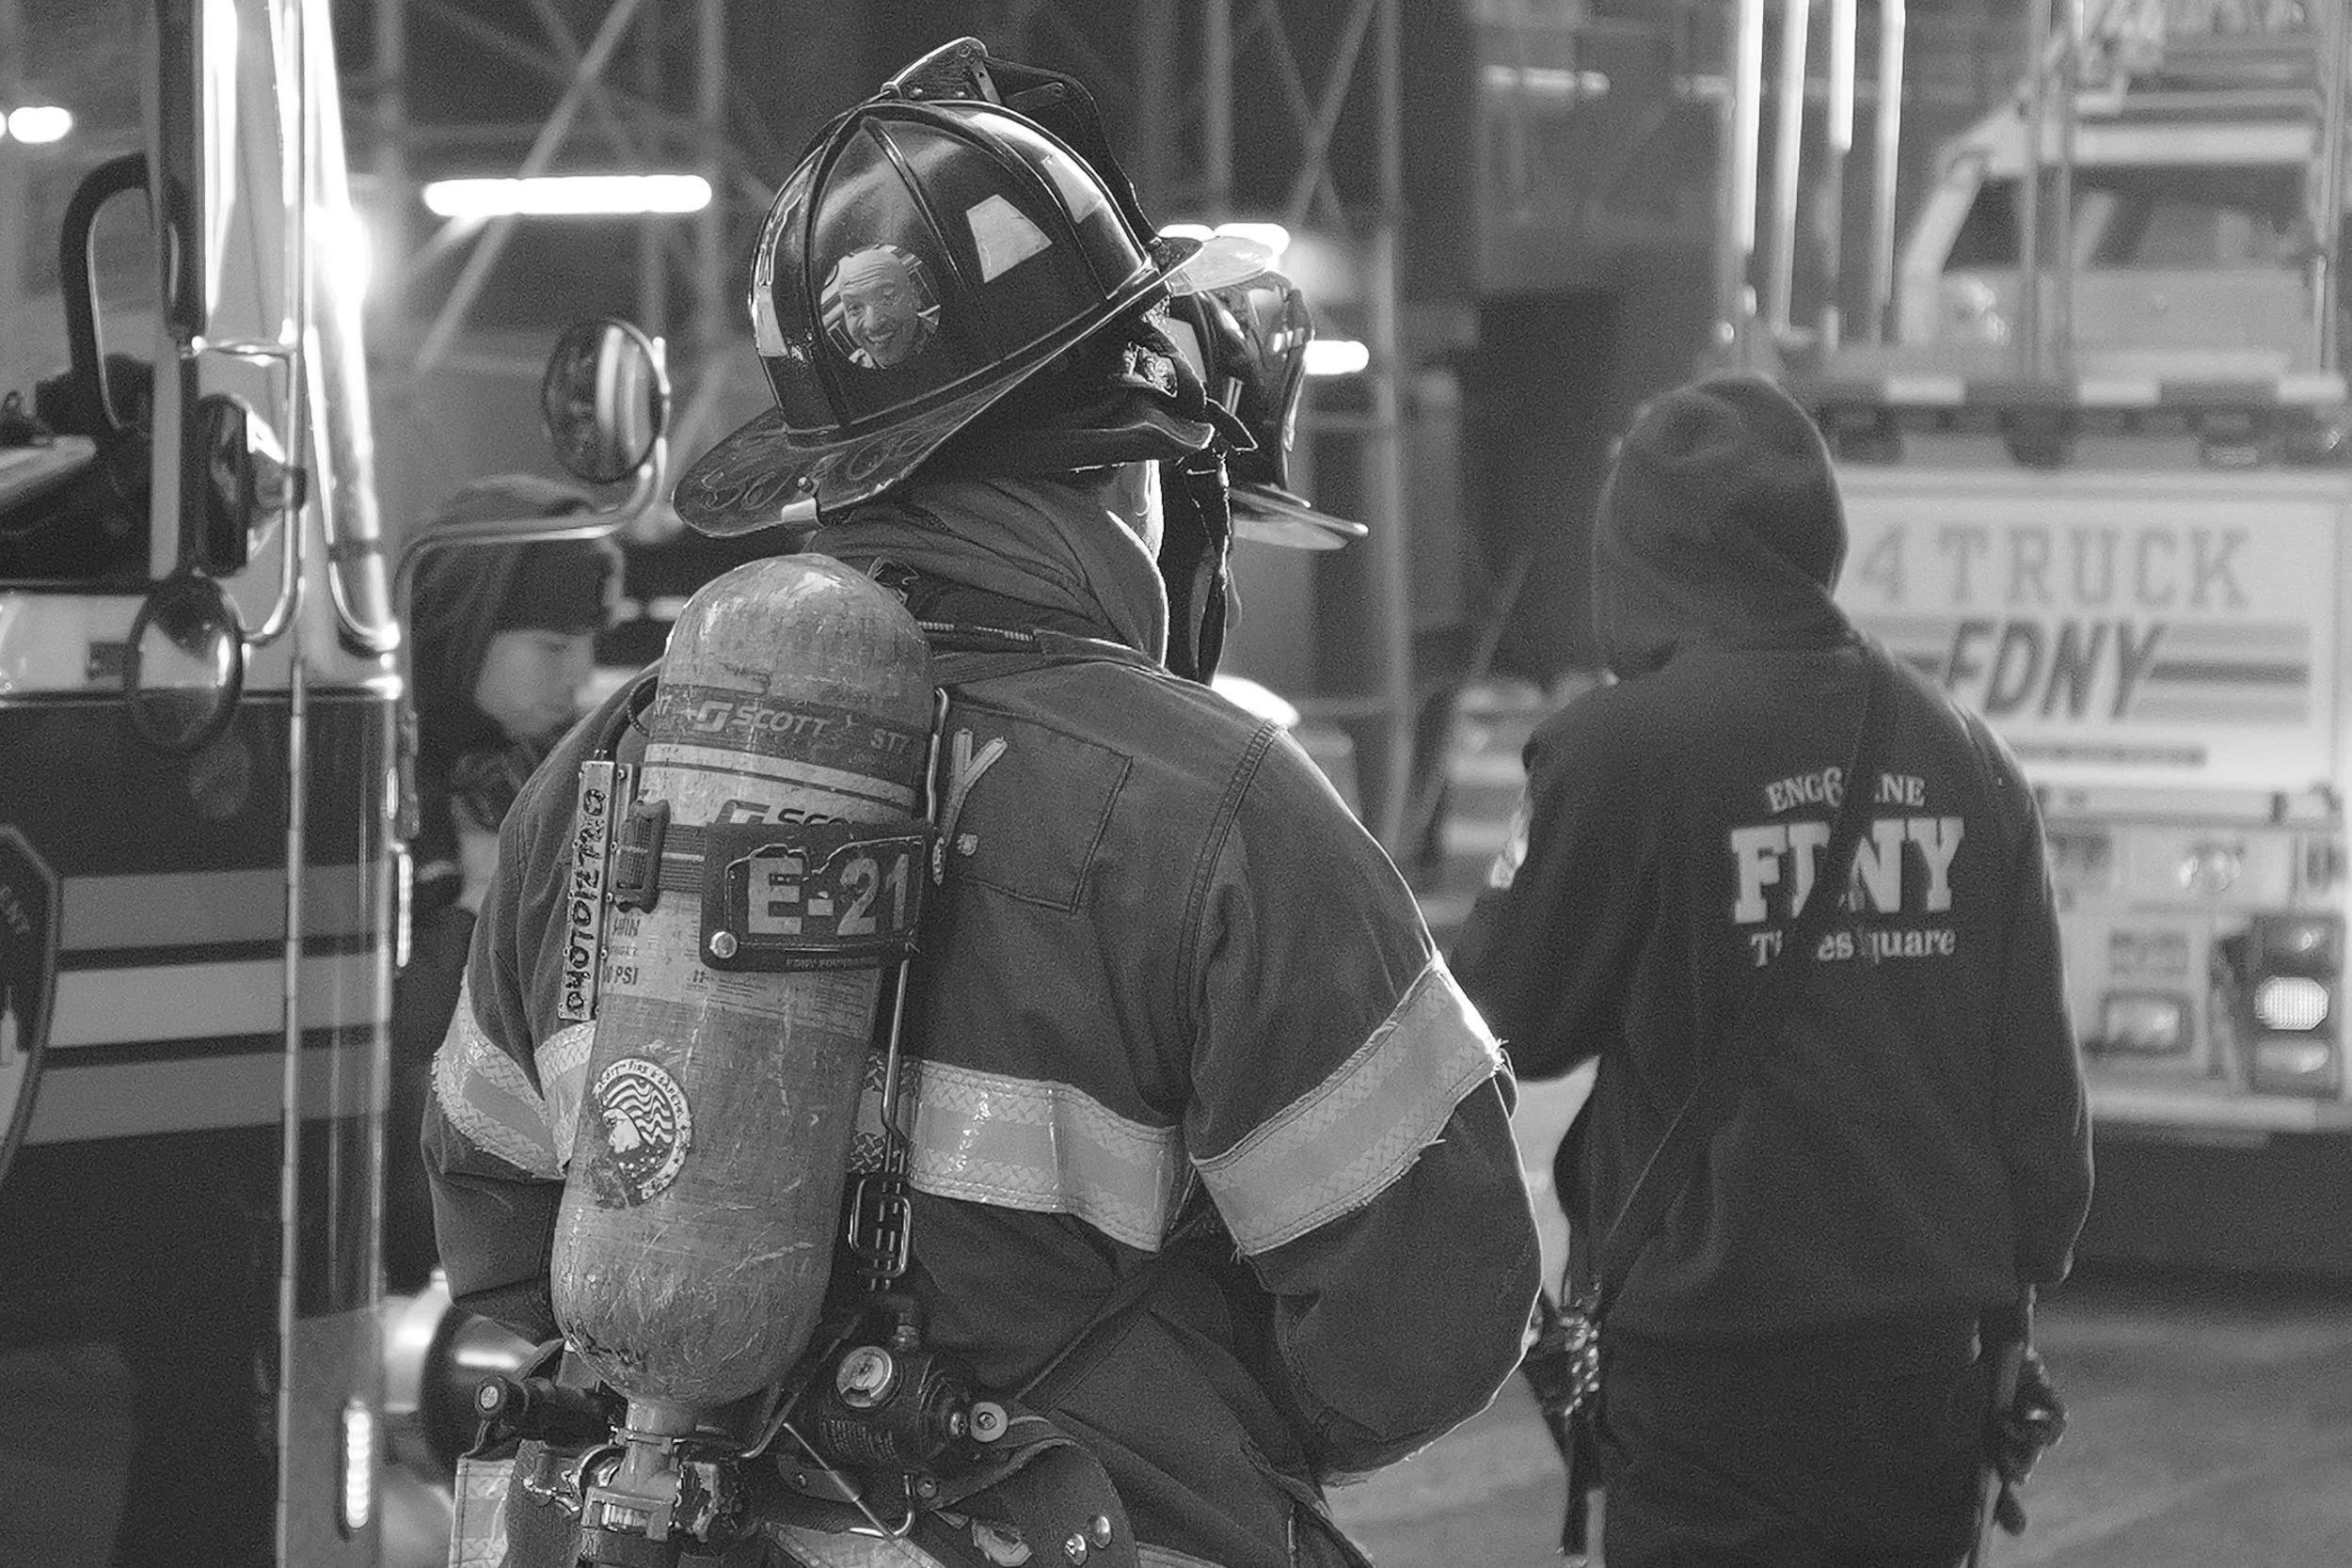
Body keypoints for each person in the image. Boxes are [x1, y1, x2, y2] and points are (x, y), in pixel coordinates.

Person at [424, 42, 1539, 1568]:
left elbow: (491, 1216)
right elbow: (1431, 1306)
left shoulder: (602, 770)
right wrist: (1180, 1408)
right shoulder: (1221, 810)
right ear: (1125, 455)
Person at [1450, 372, 2093, 1567]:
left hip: (1709, 1375)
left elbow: (1506, 1022)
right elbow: (2038, 1122)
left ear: (1634, 558)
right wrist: (2010, 1314)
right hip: (1925, 1375)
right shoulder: (1966, 756)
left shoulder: (1619, 751)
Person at [390, 474, 617, 1293]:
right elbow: (394, 1043)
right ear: (464, 627)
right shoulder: (369, 781)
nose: (579, 677)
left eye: (587, 645)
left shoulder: (549, 780)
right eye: (553, 647)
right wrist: (468, 902)